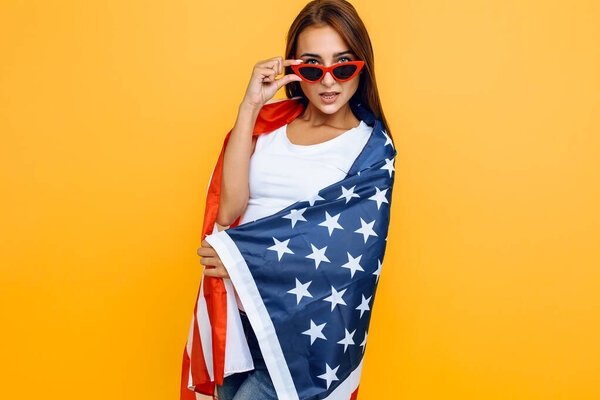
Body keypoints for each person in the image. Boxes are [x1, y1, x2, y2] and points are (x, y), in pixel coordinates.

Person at [195, 1, 394, 398]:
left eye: (342, 65)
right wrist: (251, 105)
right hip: (236, 322)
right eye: (310, 66)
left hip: (301, 337)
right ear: (293, 68)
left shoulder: (369, 152)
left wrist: (244, 261)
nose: (327, 82)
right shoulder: (269, 124)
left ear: (361, 67)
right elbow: (231, 212)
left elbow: (348, 259)